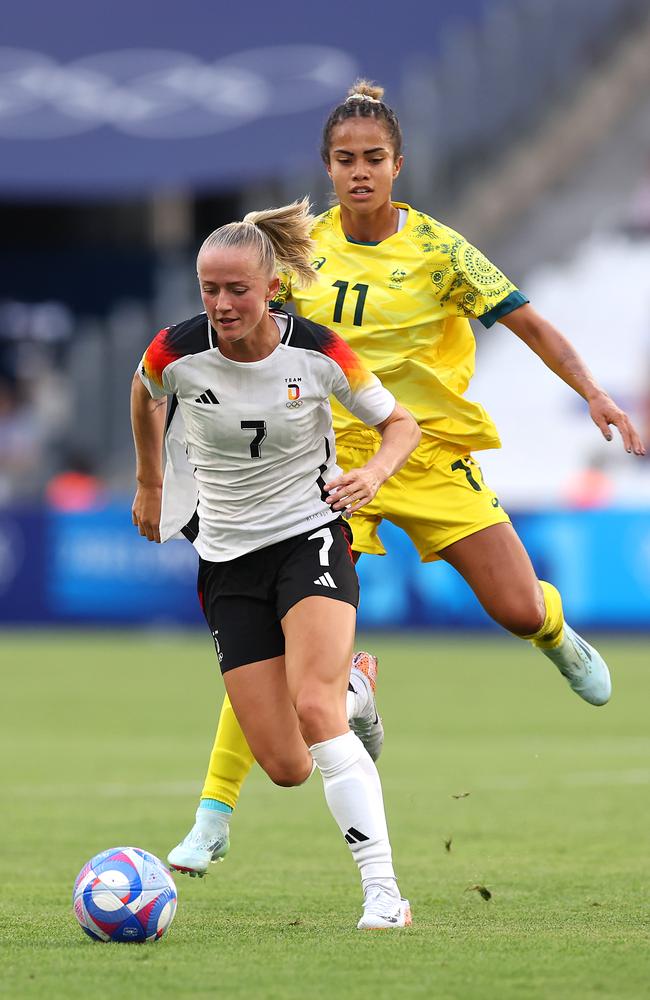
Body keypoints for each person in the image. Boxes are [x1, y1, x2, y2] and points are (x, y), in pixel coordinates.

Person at [168, 80, 645, 878]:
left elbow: (528, 321)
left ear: (398, 164)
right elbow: (243, 330)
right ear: (327, 168)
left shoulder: (440, 250)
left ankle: (554, 635)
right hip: (322, 470)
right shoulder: (296, 256)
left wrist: (593, 391)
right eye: (346, 160)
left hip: (423, 453)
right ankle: (213, 816)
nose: (361, 172)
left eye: (375, 159)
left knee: (516, 603)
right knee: (271, 640)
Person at [131, 198, 420, 929]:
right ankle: (359, 690)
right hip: (226, 559)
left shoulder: (319, 352)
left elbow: (400, 423)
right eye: (210, 289)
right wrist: (149, 480)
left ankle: (383, 893)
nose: (222, 305)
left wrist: (376, 475)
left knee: (314, 713)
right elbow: (143, 392)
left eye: (237, 290)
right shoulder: (174, 351)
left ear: (270, 288)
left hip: (311, 537)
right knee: (288, 765)